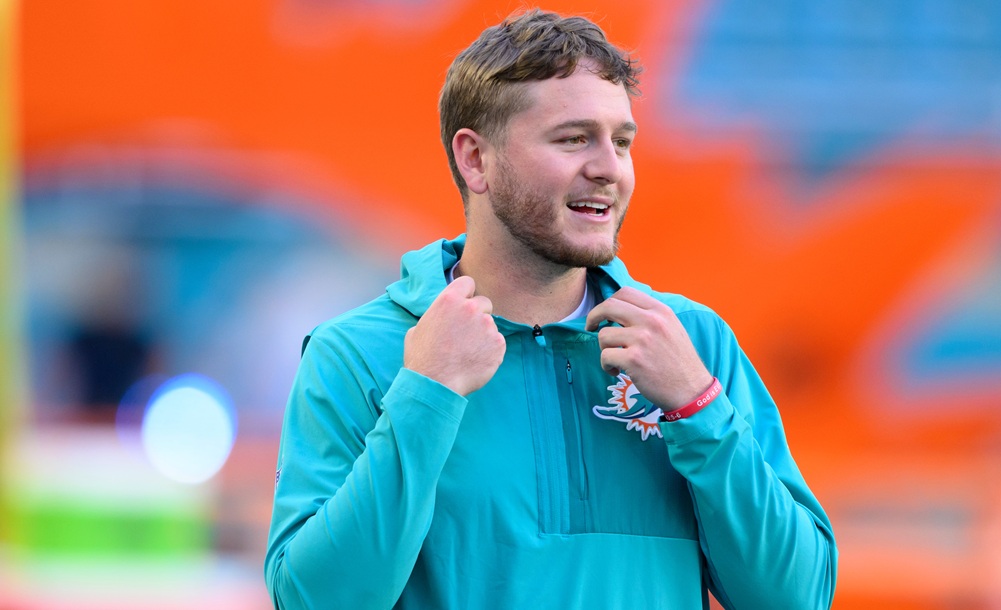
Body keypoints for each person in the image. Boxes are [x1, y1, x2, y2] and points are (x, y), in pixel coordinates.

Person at [265, 8, 837, 609]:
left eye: (622, 142)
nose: (609, 169)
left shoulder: (693, 343)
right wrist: (427, 395)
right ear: (475, 159)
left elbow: (797, 597)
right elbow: (315, 601)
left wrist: (698, 407)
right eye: (573, 139)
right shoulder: (357, 354)